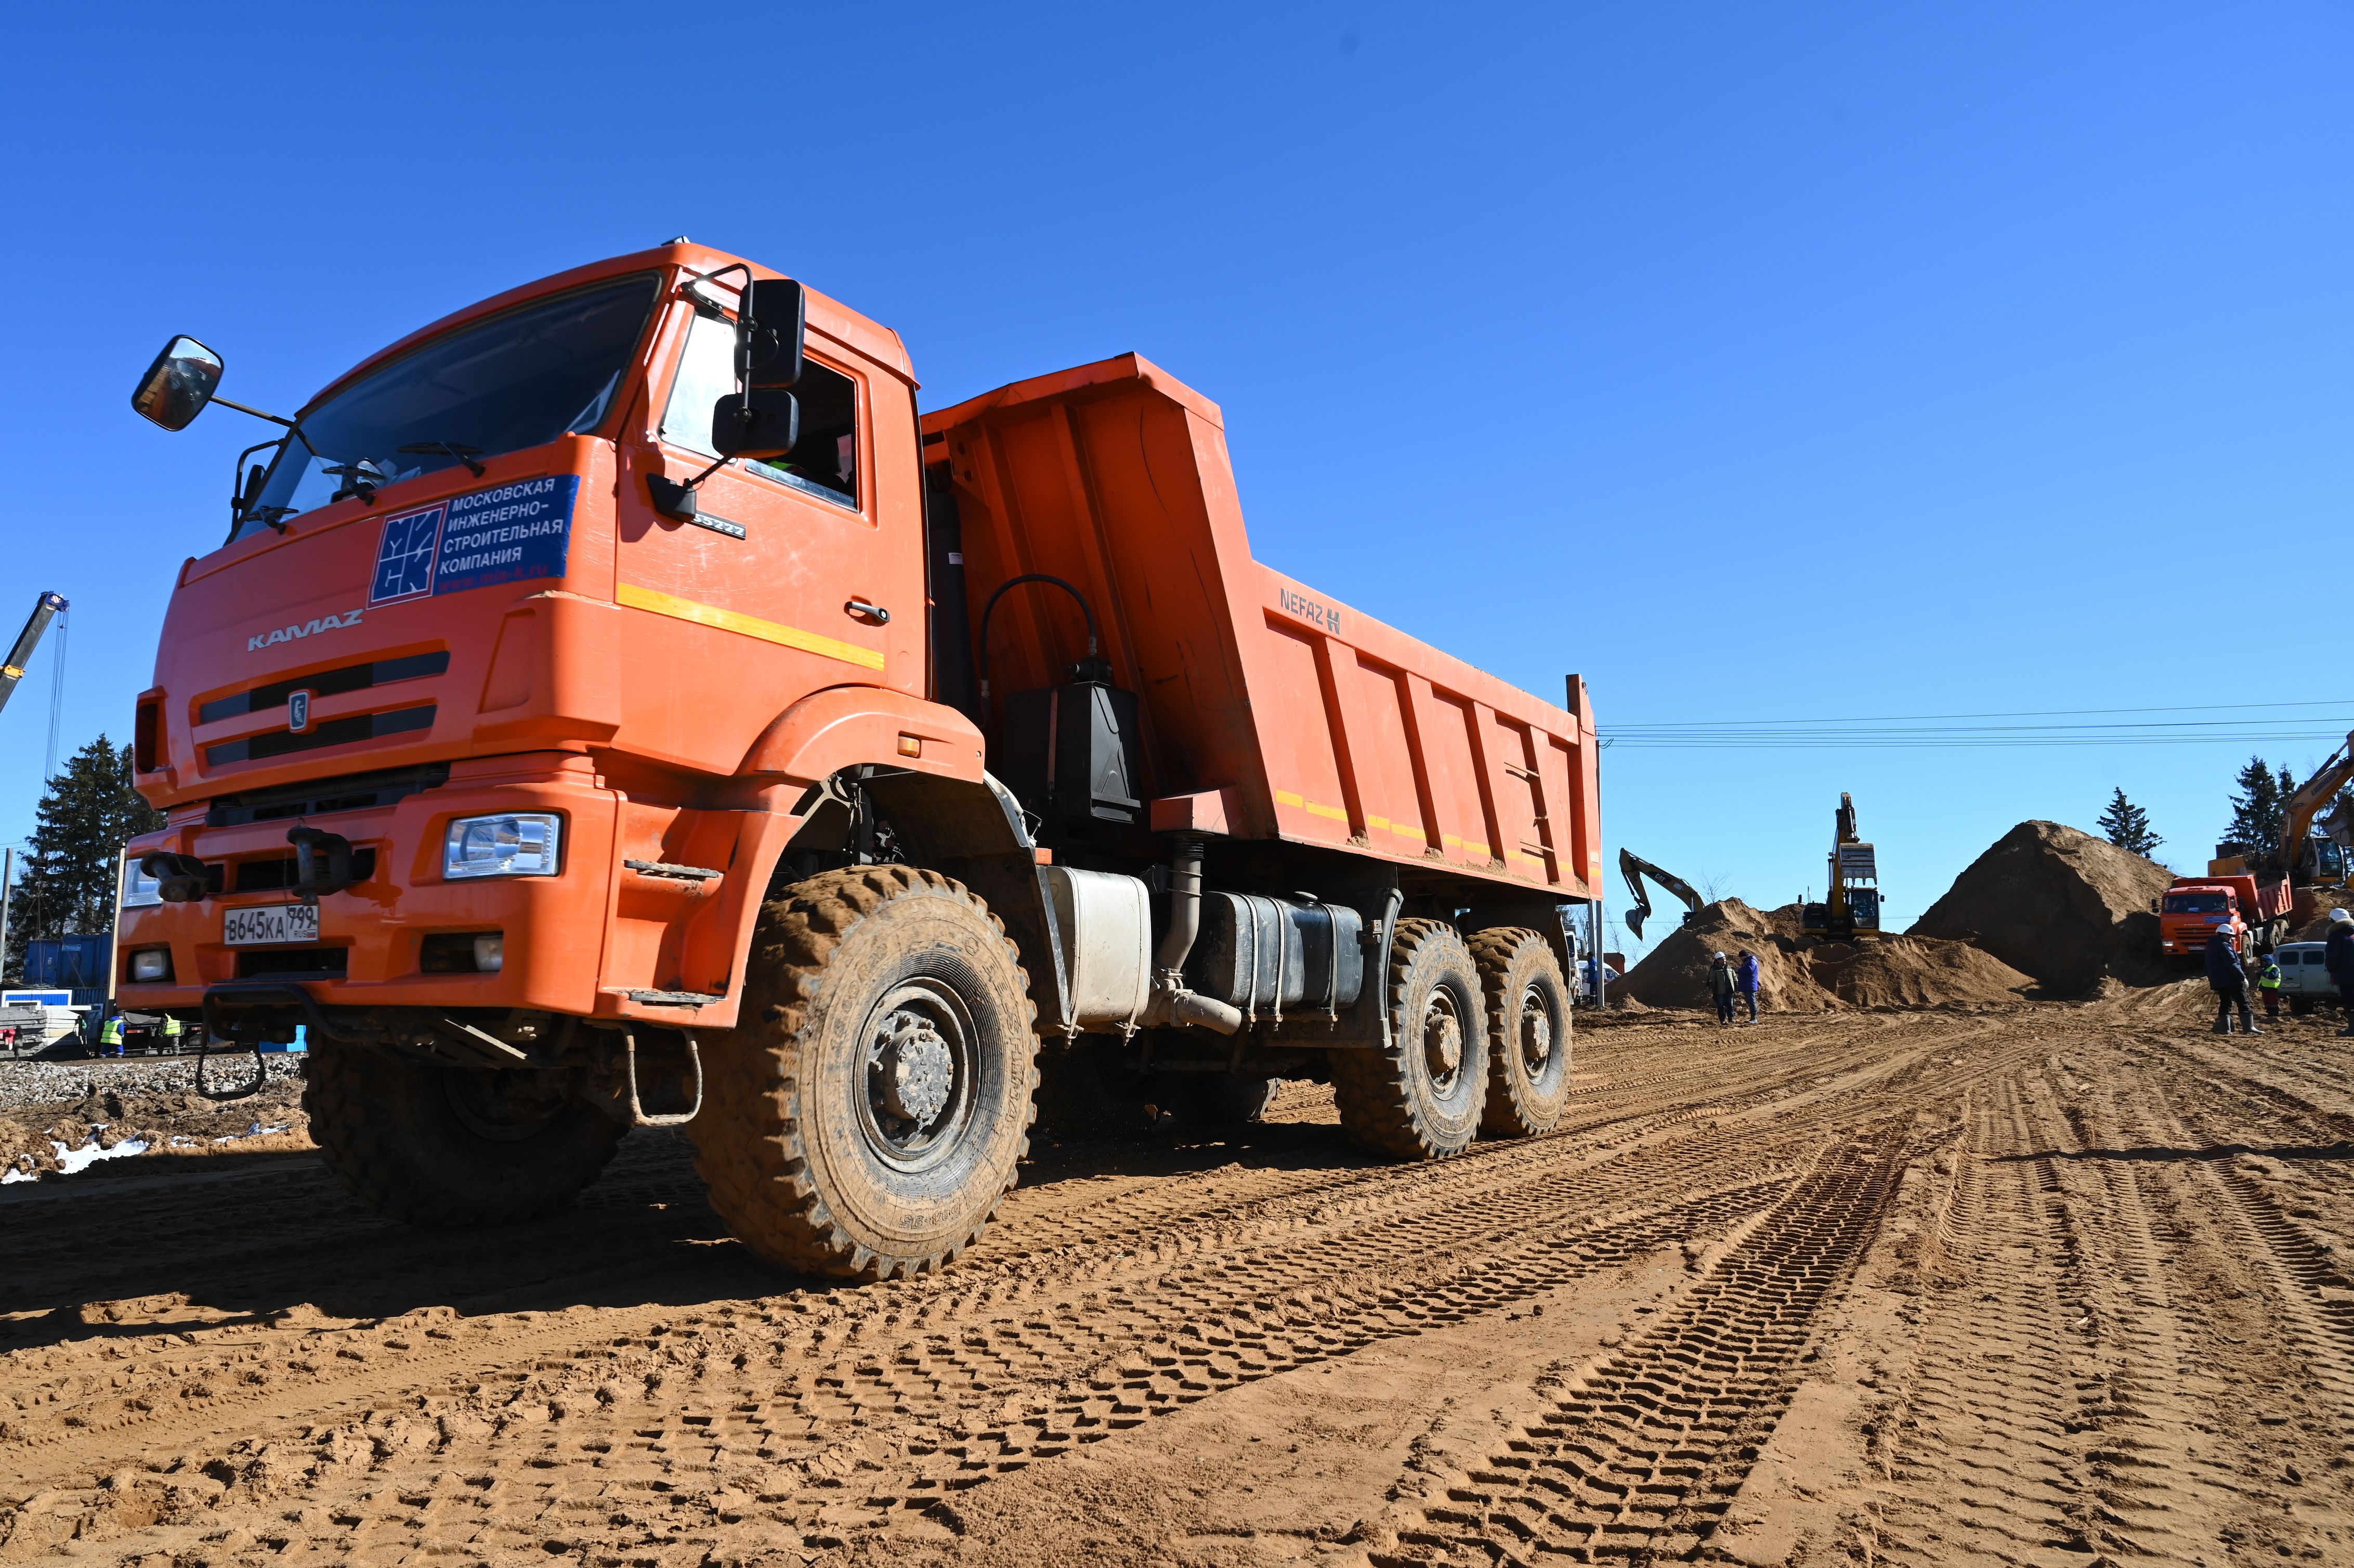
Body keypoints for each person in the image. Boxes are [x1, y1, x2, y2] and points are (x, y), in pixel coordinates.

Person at [2206, 922, 2258, 1035]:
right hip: (2231, 980)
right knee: (2243, 1002)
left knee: (2225, 1003)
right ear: (2222, 935)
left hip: (2219, 982)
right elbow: (2232, 964)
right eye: (2229, 936)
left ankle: (2226, 1030)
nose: (2231, 938)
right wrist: (2242, 977)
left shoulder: (2211, 946)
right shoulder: (2224, 946)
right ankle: (2249, 1028)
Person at [2326, 908, 2354, 1036]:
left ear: (2333, 921)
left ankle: (2352, 1029)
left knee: (2349, 1000)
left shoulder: (2336, 935)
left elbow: (2332, 955)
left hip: (2346, 974)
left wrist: (2331, 970)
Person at [1707, 951, 1737, 1024]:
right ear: (1717, 960)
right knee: (1721, 1006)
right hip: (1719, 991)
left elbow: (1734, 977)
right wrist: (1711, 988)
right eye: (1721, 959)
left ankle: (1731, 1019)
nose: (1724, 960)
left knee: (1730, 1005)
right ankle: (1722, 1020)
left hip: (1729, 990)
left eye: (1724, 959)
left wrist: (1736, 985)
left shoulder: (1729, 967)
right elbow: (1711, 979)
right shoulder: (1714, 969)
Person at [1735, 950, 1763, 1022]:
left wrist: (1739, 970)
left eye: (1741, 957)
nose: (1741, 959)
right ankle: (1753, 1018)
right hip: (1748, 985)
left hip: (1750, 985)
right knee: (1749, 1001)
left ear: (1744, 956)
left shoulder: (1752, 962)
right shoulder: (1748, 962)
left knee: (1751, 1001)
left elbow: (1750, 971)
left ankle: (1754, 1018)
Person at [2257, 951, 2283, 1021]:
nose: (2263, 963)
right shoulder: (2265, 968)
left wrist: (2262, 972)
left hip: (2272, 988)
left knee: (2272, 1001)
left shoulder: (2275, 968)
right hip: (2265, 988)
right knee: (2267, 1001)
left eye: (2264, 962)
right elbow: (2260, 978)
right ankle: (2270, 1013)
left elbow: (2272, 976)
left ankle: (2275, 1013)